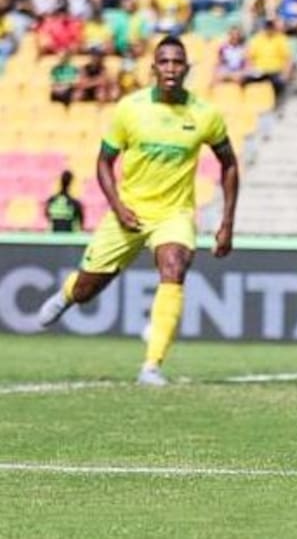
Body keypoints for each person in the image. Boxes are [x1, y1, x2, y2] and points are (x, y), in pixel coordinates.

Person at [36, 36, 240, 387]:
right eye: (165, 62)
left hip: (174, 214)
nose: (171, 68)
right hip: (128, 211)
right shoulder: (130, 109)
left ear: (187, 69)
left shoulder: (205, 115)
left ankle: (151, 366)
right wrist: (118, 206)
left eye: (178, 62)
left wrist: (226, 223)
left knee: (175, 267)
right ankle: (68, 294)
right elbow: (104, 163)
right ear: (154, 68)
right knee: (88, 290)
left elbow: (229, 165)